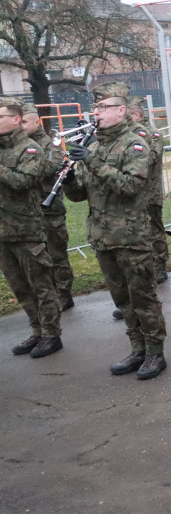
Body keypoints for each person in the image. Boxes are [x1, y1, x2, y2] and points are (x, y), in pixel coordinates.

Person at [65, 82, 168, 379]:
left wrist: (93, 162)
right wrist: (70, 177)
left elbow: (131, 186)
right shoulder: (94, 146)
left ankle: (155, 353)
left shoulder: (135, 143)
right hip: (103, 236)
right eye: (95, 108)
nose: (96, 112)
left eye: (102, 107)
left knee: (143, 297)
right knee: (121, 299)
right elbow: (78, 195)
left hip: (131, 236)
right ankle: (137, 349)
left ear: (121, 110)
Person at [0, 97, 63, 358]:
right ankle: (36, 331)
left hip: (26, 229)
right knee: (20, 287)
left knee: (40, 285)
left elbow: (23, 181)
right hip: (4, 232)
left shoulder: (30, 149)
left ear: (15, 120)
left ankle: (51, 334)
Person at [22, 103, 75, 310]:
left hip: (50, 210)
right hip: (29, 211)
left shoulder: (50, 144)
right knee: (37, 257)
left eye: (25, 121)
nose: (22, 126)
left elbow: (49, 169)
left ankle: (64, 293)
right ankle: (48, 294)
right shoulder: (19, 145)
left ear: (37, 122)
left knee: (57, 254)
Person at [127, 97, 168, 285]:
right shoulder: (129, 134)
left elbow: (149, 159)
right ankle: (147, 266)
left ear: (136, 114)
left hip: (150, 193)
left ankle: (160, 265)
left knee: (154, 231)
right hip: (136, 194)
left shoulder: (151, 134)